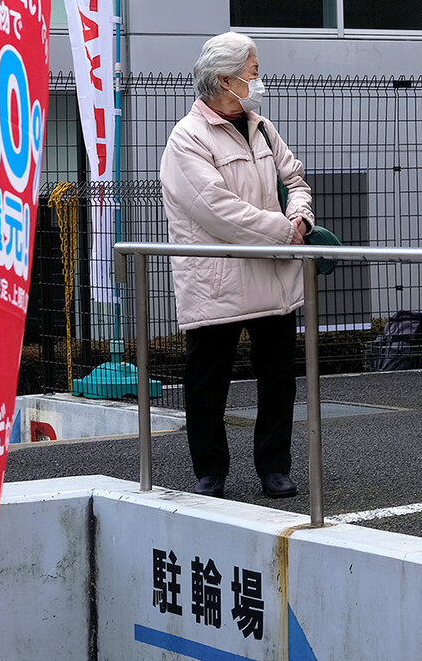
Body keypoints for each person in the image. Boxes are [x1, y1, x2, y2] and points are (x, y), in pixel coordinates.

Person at [160, 31, 311, 500]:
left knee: (279, 379)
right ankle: (210, 472)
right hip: (218, 279)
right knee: (207, 380)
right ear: (225, 79)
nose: (258, 80)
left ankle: (275, 468)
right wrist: (284, 231)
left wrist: (301, 214)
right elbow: (216, 210)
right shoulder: (187, 139)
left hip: (272, 273)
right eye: (253, 71)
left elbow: (295, 178)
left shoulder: (264, 128)